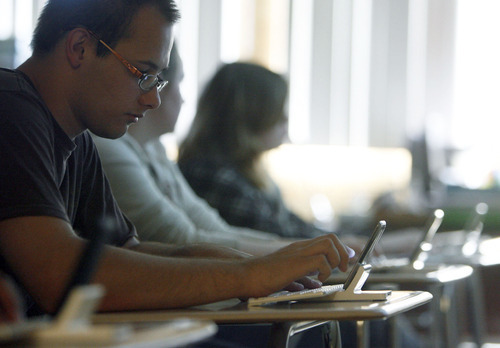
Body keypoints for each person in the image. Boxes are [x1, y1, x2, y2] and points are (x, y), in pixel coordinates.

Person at [0, 0, 353, 319]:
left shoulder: (77, 140)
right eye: (143, 74)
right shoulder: (11, 109)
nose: (153, 100)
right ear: (79, 48)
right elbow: (57, 272)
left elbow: (130, 251)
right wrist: (247, 276)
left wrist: (262, 265)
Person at [92, 44, 291, 256]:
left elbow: (215, 228)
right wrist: (292, 254)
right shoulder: (106, 147)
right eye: (178, 82)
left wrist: (298, 250)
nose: (184, 99)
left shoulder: (154, 149)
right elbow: (180, 239)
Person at [178, 62, 339, 239]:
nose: (285, 118)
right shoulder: (212, 176)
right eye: (276, 109)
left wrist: (343, 240)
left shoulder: (245, 171)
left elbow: (293, 225)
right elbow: (278, 238)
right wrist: (339, 243)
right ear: (249, 115)